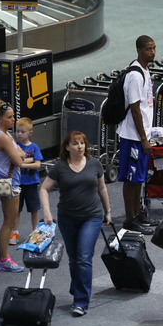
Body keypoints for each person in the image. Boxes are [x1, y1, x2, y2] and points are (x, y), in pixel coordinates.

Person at [39, 131, 112, 316]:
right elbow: (44, 188)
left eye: (82, 143)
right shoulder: (60, 167)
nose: (80, 146)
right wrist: (47, 212)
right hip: (67, 217)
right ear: (67, 147)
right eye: (75, 143)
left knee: (84, 258)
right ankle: (78, 285)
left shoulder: (95, 164)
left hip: (92, 217)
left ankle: (81, 301)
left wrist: (108, 211)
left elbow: (102, 187)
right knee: (73, 258)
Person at [117, 35, 158, 234]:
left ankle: (136, 214)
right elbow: (135, 110)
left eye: (154, 48)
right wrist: (143, 138)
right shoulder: (134, 75)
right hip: (133, 136)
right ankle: (129, 218)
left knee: (139, 178)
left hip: (142, 135)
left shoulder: (145, 70)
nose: (152, 52)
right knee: (131, 179)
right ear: (139, 50)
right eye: (149, 49)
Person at [0, 99, 25, 272]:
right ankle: (3, 260)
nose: (13, 120)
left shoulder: (2, 135)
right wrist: (20, 154)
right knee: (9, 222)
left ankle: (3, 258)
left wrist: (19, 153)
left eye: (13, 117)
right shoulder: (3, 137)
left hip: (7, 182)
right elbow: (18, 159)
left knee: (9, 221)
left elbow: (19, 153)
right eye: (10, 117)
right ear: (0, 119)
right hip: (10, 184)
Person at [11, 117, 43, 245]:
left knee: (34, 209)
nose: (19, 134)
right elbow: (13, 161)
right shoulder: (14, 146)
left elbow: (38, 165)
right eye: (17, 131)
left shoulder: (34, 147)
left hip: (31, 183)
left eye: (22, 132)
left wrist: (22, 163)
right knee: (16, 210)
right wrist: (29, 160)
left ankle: (35, 232)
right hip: (17, 183)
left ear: (30, 133)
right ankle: (14, 232)